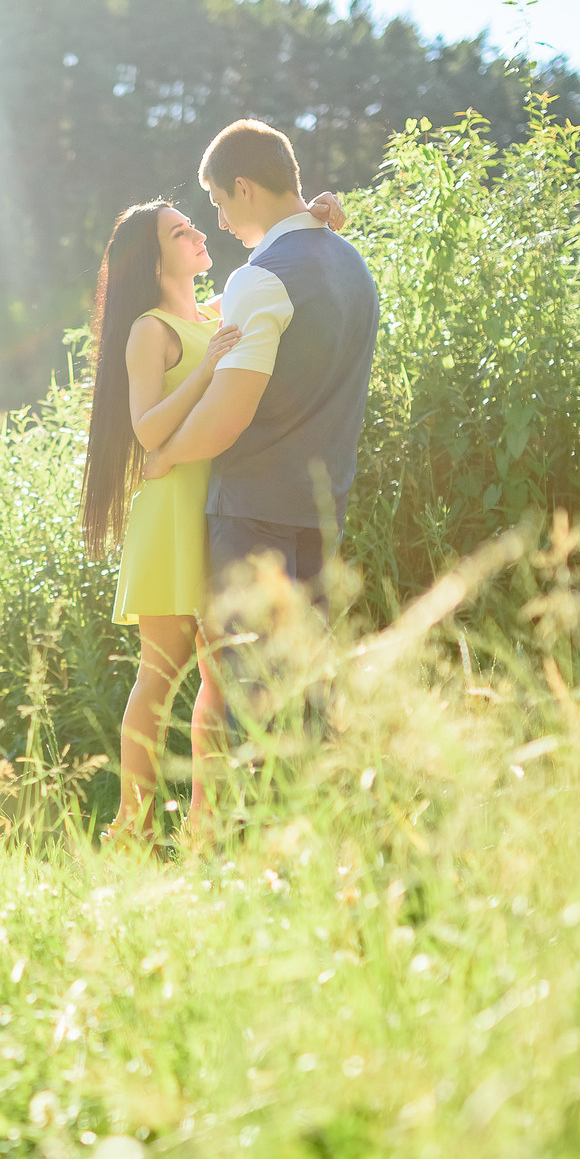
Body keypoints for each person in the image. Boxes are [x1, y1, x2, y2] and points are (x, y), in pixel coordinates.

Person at [82, 183, 348, 841]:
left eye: (196, 225)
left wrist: (317, 215)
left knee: (217, 675)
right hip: (172, 512)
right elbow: (147, 432)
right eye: (180, 232)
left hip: (215, 506)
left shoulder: (213, 311)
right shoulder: (150, 330)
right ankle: (131, 822)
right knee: (161, 673)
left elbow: (275, 250)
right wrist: (204, 374)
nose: (199, 234)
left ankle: (203, 823)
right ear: (153, 260)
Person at [143, 118, 380, 740]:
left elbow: (226, 416)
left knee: (247, 704)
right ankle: (321, 830)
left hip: (251, 517)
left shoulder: (261, 277)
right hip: (322, 512)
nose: (218, 221)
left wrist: (164, 455)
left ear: (244, 188)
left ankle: (250, 837)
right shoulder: (354, 266)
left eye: (219, 203)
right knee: (309, 699)